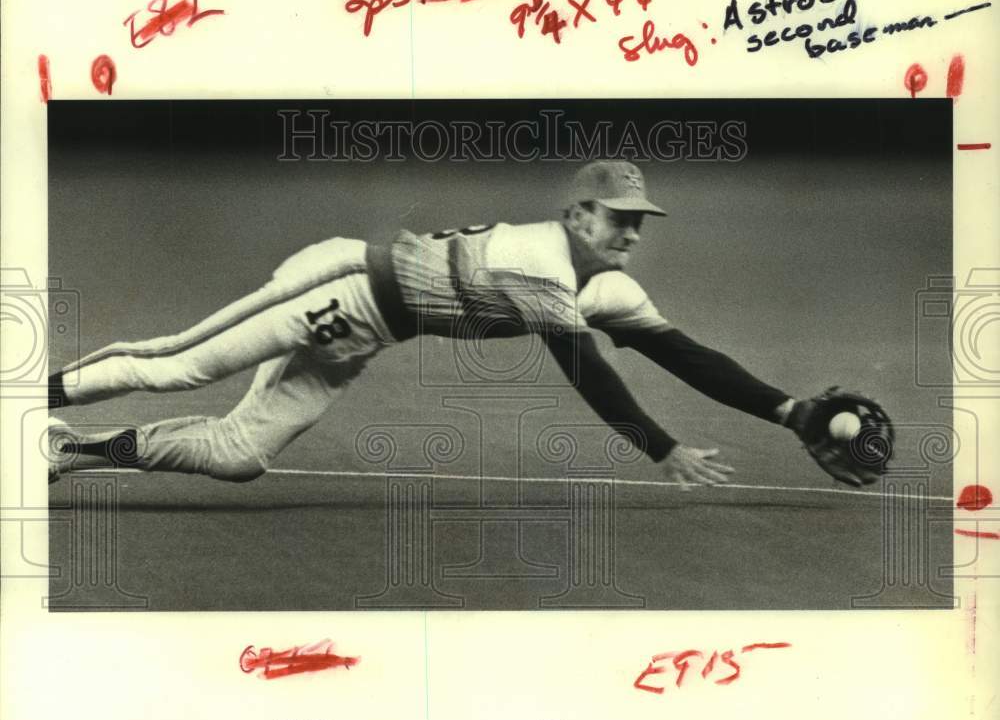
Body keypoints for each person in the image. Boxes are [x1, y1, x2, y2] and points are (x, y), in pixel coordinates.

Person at [47, 160, 802, 488]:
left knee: (242, 454)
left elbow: (689, 356)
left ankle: (65, 449)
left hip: (366, 331)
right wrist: (660, 446)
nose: (633, 234)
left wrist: (792, 412)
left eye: (641, 222)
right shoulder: (540, 257)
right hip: (344, 280)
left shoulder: (603, 289)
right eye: (619, 219)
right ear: (577, 213)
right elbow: (587, 369)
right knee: (179, 363)